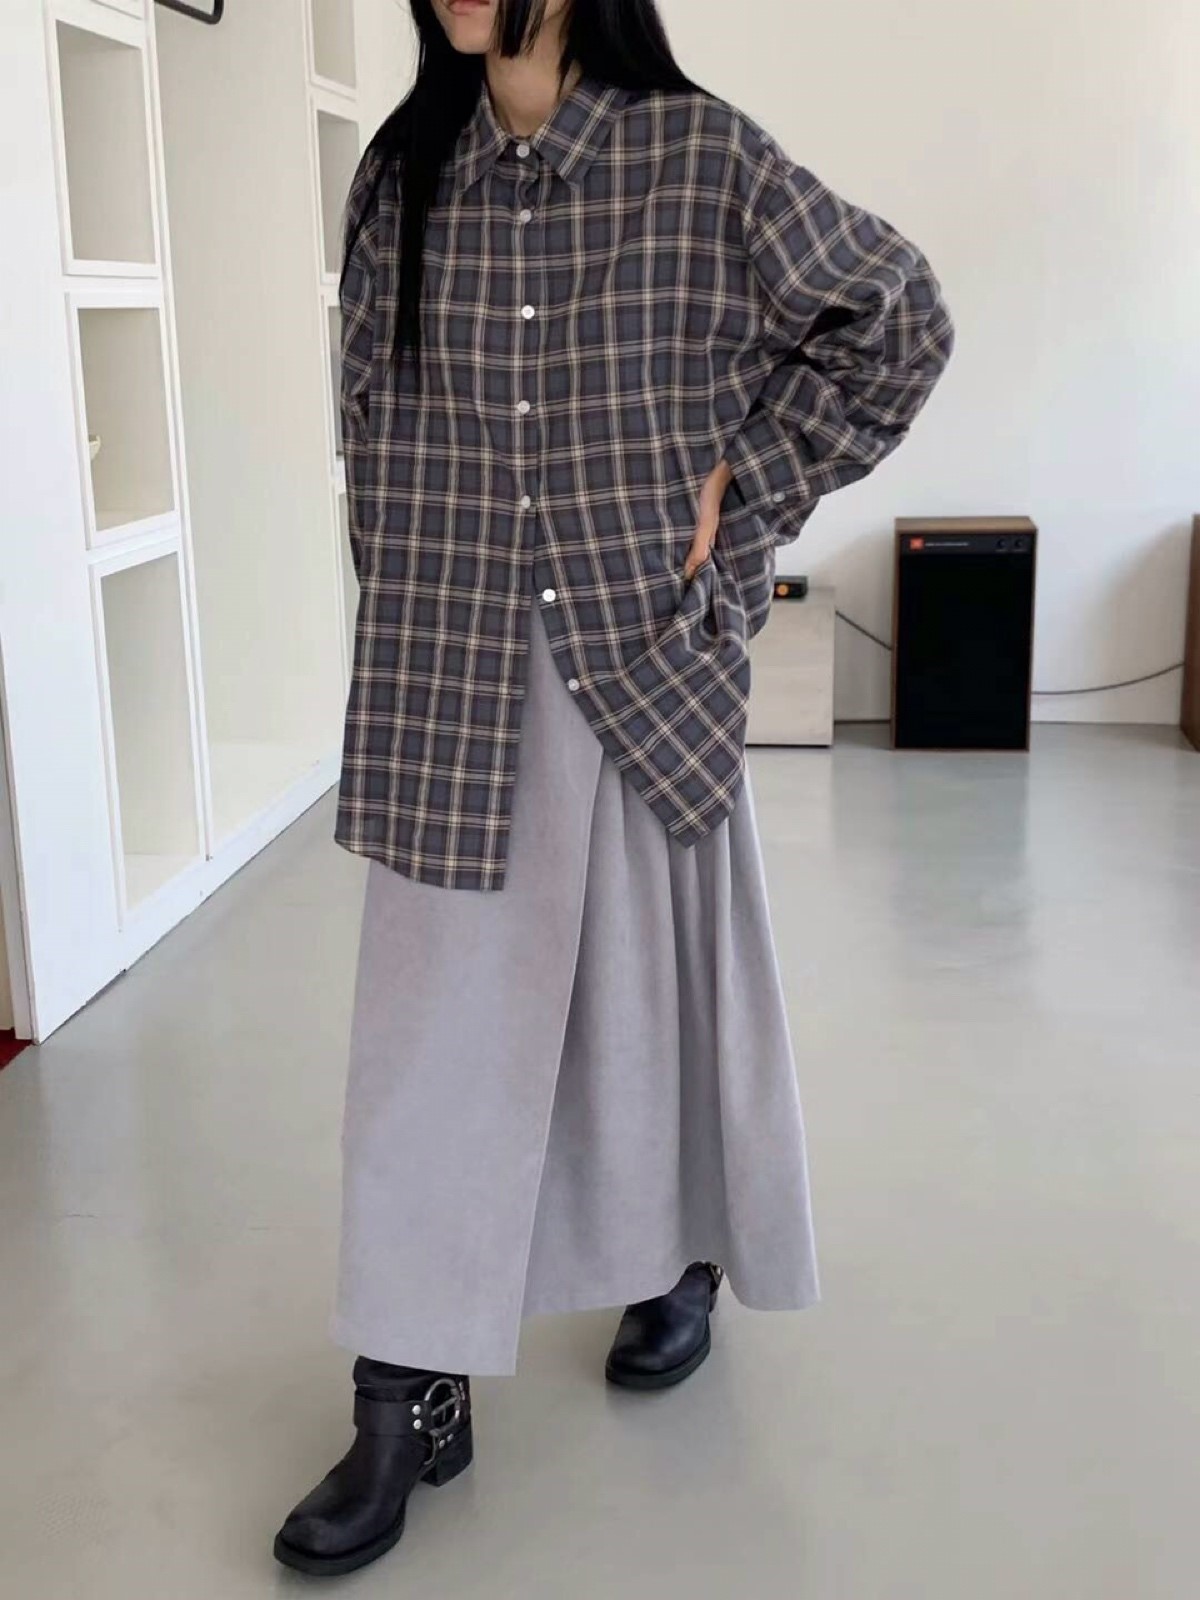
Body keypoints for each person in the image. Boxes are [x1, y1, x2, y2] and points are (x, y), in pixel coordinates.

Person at [274, 0, 953, 1576]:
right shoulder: (401, 175)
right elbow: (367, 420)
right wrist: (404, 617)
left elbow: (899, 316)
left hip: (644, 651)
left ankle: (679, 1258)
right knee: (428, 1041)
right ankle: (404, 1394)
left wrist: (749, 484)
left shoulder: (702, 158)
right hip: (452, 664)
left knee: (655, 997)